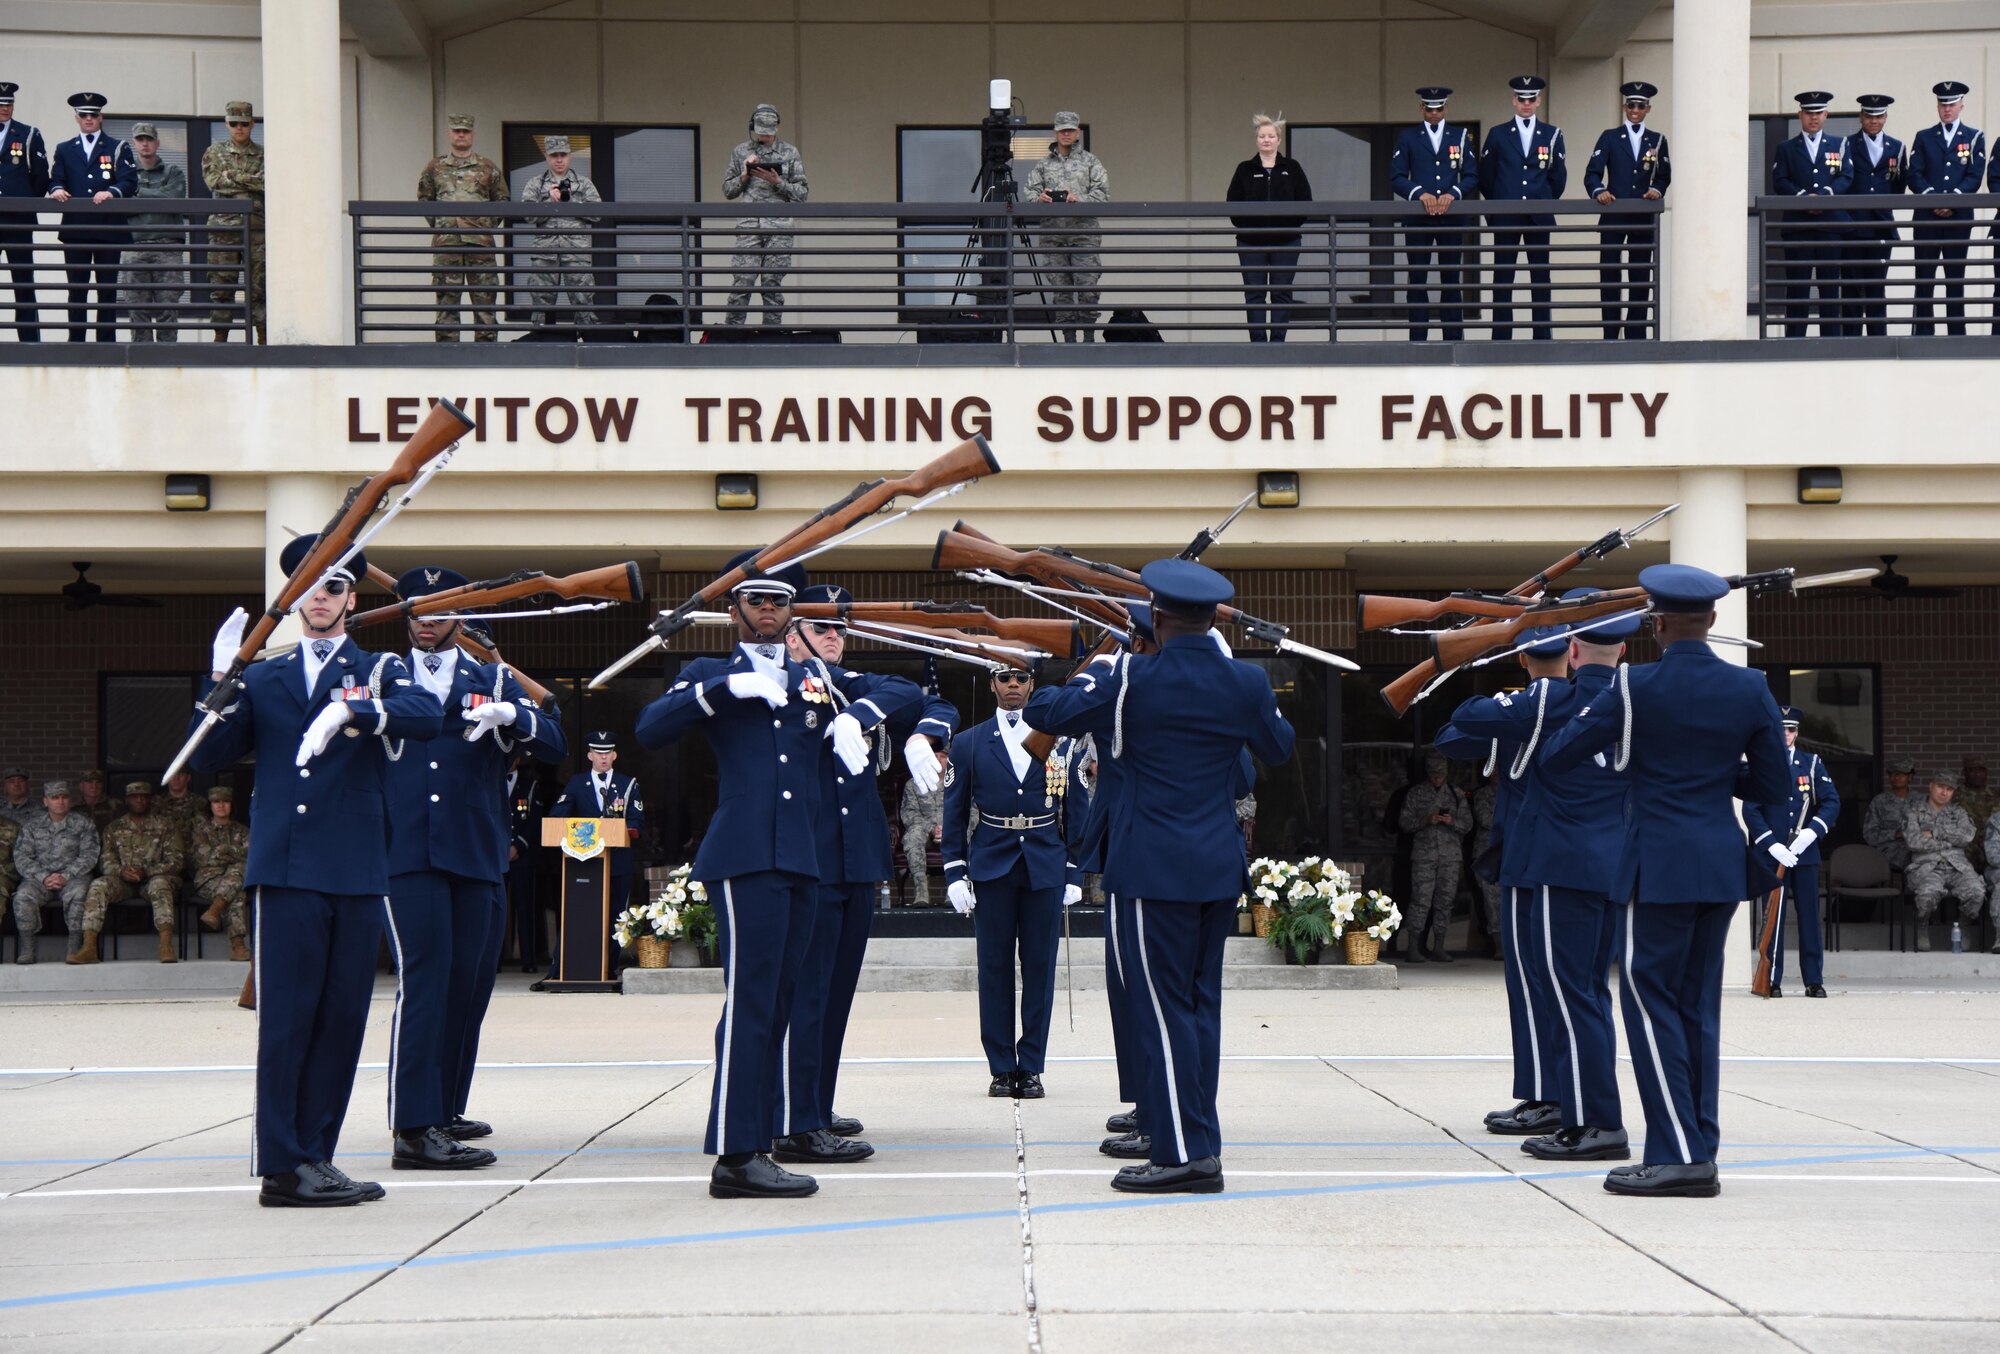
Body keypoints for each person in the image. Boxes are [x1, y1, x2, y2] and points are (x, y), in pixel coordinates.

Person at [188, 534, 443, 1207]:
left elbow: (427, 714)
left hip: (357, 867)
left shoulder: (378, 668)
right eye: (309, 586)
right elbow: (209, 754)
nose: (321, 598)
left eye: (333, 587)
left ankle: (316, 1158)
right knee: (286, 1021)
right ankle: (281, 1165)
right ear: (294, 598)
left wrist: (352, 708)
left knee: (340, 1020)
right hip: (288, 868)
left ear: (352, 599)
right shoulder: (266, 676)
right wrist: (219, 681)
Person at [1027, 560, 1295, 1194]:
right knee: (1200, 1010)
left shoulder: (1127, 679)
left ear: (1160, 618)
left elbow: (1046, 708)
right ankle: (1199, 1140)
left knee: (1160, 1011)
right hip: (1216, 865)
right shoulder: (1247, 681)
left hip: (1149, 868)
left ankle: (1183, 1155)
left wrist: (1092, 668)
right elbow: (1278, 748)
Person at [635, 558, 897, 1200]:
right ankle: (734, 1155)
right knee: (751, 1004)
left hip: (804, 858)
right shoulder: (711, 674)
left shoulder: (817, 678)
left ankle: (760, 1141)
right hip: (744, 855)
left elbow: (903, 690)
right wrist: (726, 692)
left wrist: (855, 716)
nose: (769, 610)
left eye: (780, 600)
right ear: (735, 610)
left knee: (779, 1003)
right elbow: (651, 728)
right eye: (756, 600)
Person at [1540, 563, 1790, 1198]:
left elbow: (1560, 753)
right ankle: (1697, 1145)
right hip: (1718, 864)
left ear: (1657, 625)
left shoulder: (1632, 687)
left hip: (1657, 866)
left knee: (1650, 1005)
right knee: (1696, 1009)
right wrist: (1709, 776)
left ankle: (1678, 1155)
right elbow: (1773, 788)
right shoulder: (1751, 687)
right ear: (1709, 622)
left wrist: (1641, 762)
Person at [1443, 602, 1643, 1161]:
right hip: (1609, 863)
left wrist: (1490, 642)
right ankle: (1582, 1114)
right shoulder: (1635, 700)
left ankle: (1595, 1121)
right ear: (1623, 650)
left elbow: (1465, 717)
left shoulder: (1557, 698)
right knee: (1585, 994)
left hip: (1561, 862)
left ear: (1574, 651)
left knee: (1569, 993)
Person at [384, 567, 565, 1169]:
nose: (428, 620)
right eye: (418, 610)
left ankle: (444, 1106)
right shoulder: (382, 674)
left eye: (440, 610)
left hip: (478, 850)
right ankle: (414, 1127)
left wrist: (518, 718)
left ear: (462, 617)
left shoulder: (490, 677)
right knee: (426, 984)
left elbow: (556, 744)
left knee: (469, 987)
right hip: (408, 851)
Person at [771, 583, 954, 1164]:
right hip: (812, 860)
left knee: (837, 994)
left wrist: (917, 730)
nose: (834, 638)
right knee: (809, 993)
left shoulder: (847, 688)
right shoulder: (777, 686)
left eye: (840, 630)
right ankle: (794, 1118)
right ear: (792, 632)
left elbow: (919, 695)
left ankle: (816, 1106)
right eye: (822, 628)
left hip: (857, 862)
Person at [1435, 629, 1570, 1136]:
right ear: (1572, 656)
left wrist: (1503, 707)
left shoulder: (1519, 710)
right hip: (1569, 857)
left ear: (1520, 658)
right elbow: (1450, 739)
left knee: (1534, 979)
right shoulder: (1587, 703)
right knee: (1565, 982)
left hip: (1527, 852)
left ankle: (1547, 1094)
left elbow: (1452, 730)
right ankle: (1557, 1092)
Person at [943, 665, 1081, 1099]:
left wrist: (1074, 869)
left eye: (1021, 678)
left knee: (1039, 969)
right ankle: (1002, 1067)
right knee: (995, 969)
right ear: (992, 685)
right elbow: (954, 810)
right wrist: (954, 869)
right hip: (991, 863)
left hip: (1043, 862)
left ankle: (1033, 1065)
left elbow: (1077, 809)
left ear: (1033, 685)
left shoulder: (1060, 740)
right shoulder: (967, 742)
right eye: (1005, 679)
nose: (1013, 686)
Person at [1744, 707, 1840, 997]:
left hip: (1805, 854)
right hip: (1773, 856)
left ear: (1797, 733)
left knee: (1810, 916)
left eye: (1791, 729)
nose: (1786, 734)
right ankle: (1771, 979)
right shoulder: (1761, 764)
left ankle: (1813, 980)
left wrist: (1812, 832)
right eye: (1781, 729)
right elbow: (1752, 809)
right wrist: (1771, 844)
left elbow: (1831, 802)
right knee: (1772, 915)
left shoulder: (1811, 764)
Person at [543, 731, 645, 984]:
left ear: (614, 755)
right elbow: (558, 815)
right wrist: (584, 825)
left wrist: (619, 828)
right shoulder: (577, 784)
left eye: (607, 752)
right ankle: (566, 970)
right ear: (590, 755)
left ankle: (608, 969)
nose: (603, 757)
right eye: (598, 753)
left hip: (617, 862)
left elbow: (637, 822)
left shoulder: (627, 783)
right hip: (584, 865)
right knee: (580, 916)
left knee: (615, 918)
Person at [1478, 76, 1567, 342]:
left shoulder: (1552, 134)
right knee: (1503, 276)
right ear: (1513, 101)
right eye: (1521, 99)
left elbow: (1558, 177)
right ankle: (1502, 336)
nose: (1526, 104)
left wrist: (1543, 199)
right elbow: (1486, 176)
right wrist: (1501, 205)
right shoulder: (1498, 133)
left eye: (1531, 99)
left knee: (1540, 276)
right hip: (1506, 214)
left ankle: (1542, 335)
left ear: (1538, 101)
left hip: (1538, 215)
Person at [1389, 86, 1476, 343]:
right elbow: (1396, 176)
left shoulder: (1460, 135)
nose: (1434, 113)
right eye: (1429, 108)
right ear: (1421, 109)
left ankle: (1453, 338)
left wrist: (1454, 194)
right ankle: (1418, 338)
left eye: (1439, 108)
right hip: (1419, 218)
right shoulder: (1408, 136)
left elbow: (1471, 174)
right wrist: (1420, 194)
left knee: (1451, 277)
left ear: (1446, 108)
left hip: (1451, 217)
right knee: (1418, 277)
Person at [45, 91, 135, 343]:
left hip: (108, 229)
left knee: (106, 290)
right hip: (76, 229)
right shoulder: (64, 149)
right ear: (76, 118)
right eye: (83, 114)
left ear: (100, 117)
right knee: (77, 290)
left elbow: (130, 181)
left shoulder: (118, 147)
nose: (88, 119)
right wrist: (56, 189)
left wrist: (111, 192)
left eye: (93, 114)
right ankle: (76, 342)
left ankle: (106, 342)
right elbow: (56, 178)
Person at [1584, 81, 1670, 340]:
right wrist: (1599, 190)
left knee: (1640, 276)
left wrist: (1657, 189)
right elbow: (1592, 172)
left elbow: (1664, 176)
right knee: (1610, 273)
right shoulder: (1610, 136)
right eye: (1631, 105)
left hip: (1642, 216)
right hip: (1613, 213)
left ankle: (1636, 334)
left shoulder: (1658, 139)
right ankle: (1610, 333)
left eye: (1640, 106)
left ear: (1648, 109)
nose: (1635, 110)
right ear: (1624, 107)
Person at [417, 114, 508, 342]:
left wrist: (482, 225)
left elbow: (503, 201)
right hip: (447, 245)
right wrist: (443, 225)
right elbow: (425, 200)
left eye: (465, 131)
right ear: (450, 134)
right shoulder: (435, 167)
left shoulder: (487, 167)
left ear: (472, 135)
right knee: (447, 299)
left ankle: (486, 351)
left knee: (485, 299)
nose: (461, 134)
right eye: (457, 130)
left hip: (480, 245)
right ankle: (448, 352)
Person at [76, 779, 184, 965]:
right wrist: (120, 871)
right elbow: (105, 861)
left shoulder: (166, 825)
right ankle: (89, 946)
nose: (140, 800)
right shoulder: (114, 827)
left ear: (150, 800)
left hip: (154, 879)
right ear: (127, 800)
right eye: (134, 797)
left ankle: (166, 945)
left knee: (160, 885)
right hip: (123, 881)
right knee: (99, 885)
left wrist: (147, 871)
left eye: (144, 797)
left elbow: (176, 861)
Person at [1771, 91, 1853, 339]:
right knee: (1798, 287)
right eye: (1809, 113)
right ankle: (1795, 339)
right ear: (1800, 116)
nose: (1814, 117)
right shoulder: (1786, 147)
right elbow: (1780, 180)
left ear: (1826, 115)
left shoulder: (1839, 144)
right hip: (1799, 225)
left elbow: (1846, 176)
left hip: (1830, 225)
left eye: (1818, 113)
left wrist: (1826, 195)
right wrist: (1802, 199)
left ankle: (1831, 339)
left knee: (1829, 286)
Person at [1023, 111, 1110, 342]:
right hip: (1053, 235)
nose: (1066, 134)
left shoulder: (1091, 162)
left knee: (1088, 285)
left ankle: (1088, 336)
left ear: (1077, 132)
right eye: (1062, 130)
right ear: (1055, 132)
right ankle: (1068, 338)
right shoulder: (1043, 164)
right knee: (1060, 289)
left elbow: (1103, 194)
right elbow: (1030, 192)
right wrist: (1039, 198)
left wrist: (1077, 198)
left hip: (1084, 234)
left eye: (1070, 130)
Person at [1906, 81, 1983, 338]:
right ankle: (1923, 334)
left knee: (1955, 278)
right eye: (1942, 104)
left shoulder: (1974, 137)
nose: (1947, 109)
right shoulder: (1924, 137)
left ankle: (1956, 335)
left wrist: (1953, 199)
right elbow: (1914, 174)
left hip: (1958, 218)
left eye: (1951, 104)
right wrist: (1933, 198)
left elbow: (1974, 175)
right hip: (1927, 217)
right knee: (1924, 277)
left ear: (1961, 105)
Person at [1225, 113, 1312, 343]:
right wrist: (1251, 226)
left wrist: (1288, 225)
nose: (1266, 140)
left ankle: (1278, 341)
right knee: (1254, 294)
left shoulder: (1292, 168)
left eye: (1271, 136)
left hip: (1286, 241)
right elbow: (1233, 205)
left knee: (1282, 293)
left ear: (1279, 139)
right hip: (1251, 242)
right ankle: (1258, 342)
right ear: (1256, 140)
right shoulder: (1244, 169)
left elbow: (1305, 202)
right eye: (1262, 136)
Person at [721, 104, 808, 328]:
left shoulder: (790, 153)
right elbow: (728, 191)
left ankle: (771, 336)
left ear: (777, 128)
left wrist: (778, 182)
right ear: (753, 127)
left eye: (769, 132)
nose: (765, 136)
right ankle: (732, 335)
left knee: (771, 285)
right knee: (743, 282)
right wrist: (744, 175)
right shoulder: (741, 152)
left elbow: (802, 194)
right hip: (749, 226)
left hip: (778, 229)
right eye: (761, 131)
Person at [518, 135, 602, 331]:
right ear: (546, 157)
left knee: (584, 305)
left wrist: (572, 202)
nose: (559, 159)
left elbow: (598, 214)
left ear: (570, 156)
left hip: (576, 253)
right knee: (541, 306)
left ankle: (587, 349)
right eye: (554, 155)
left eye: (563, 154)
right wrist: (549, 201)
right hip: (545, 254)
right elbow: (527, 215)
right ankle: (542, 346)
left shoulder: (583, 183)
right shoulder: (536, 184)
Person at [9, 780, 98, 964]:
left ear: (70, 800)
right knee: (23, 896)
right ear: (45, 801)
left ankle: (74, 947)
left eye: (64, 797)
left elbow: (89, 855)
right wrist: (44, 877)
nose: (60, 801)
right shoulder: (32, 827)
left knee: (80, 894)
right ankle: (28, 948)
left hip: (73, 878)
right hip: (39, 879)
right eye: (55, 798)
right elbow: (22, 857)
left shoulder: (83, 824)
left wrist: (65, 876)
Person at [1398, 749, 1472, 962]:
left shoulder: (1456, 794)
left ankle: (1439, 946)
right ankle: (1413, 947)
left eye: (1440, 774)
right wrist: (1425, 820)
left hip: (1450, 857)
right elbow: (1404, 823)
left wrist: (1452, 822)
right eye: (1434, 775)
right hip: (1424, 856)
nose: (1437, 778)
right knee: (1420, 901)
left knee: (1445, 903)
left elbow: (1468, 824)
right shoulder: (1416, 793)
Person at [200, 101, 264, 343]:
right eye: (234, 123)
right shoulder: (214, 152)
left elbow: (267, 183)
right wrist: (250, 179)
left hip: (257, 229)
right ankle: (220, 340)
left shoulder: (264, 153)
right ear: (227, 124)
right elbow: (214, 181)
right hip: (223, 229)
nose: (239, 128)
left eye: (244, 123)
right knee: (221, 286)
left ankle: (262, 341)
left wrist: (233, 176)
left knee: (260, 288)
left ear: (252, 124)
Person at [1842, 95, 1905, 338]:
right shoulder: (1846, 144)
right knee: (1851, 289)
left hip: (1881, 227)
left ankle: (1878, 340)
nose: (1874, 121)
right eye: (1869, 116)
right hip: (1853, 227)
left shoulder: (1896, 147)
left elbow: (1899, 185)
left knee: (1877, 288)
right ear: (1861, 117)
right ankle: (1852, 342)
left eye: (1879, 116)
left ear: (1886, 117)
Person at [118, 122, 186, 343]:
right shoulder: (125, 175)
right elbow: (124, 204)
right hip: (134, 246)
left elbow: (173, 199)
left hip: (168, 247)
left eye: (149, 139)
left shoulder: (173, 172)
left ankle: (167, 357)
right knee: (137, 309)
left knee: (168, 308)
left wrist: (138, 193)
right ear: (134, 144)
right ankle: (142, 359)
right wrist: (155, 195)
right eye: (140, 139)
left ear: (157, 142)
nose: (145, 143)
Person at [1904, 770, 1982, 952]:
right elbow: (1914, 842)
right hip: (1927, 866)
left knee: (1976, 892)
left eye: (1949, 789)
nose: (1944, 792)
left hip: (1958, 867)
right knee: (1927, 895)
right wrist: (1950, 841)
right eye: (1940, 787)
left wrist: (1935, 834)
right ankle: (1922, 925)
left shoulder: (1959, 813)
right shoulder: (1914, 812)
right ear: (1931, 787)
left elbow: (1967, 836)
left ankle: (1964, 925)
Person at [0, 82, 49, 341]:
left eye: (8, 103)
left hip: (18, 220)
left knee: (24, 284)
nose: (5, 108)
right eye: (1, 104)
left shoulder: (28, 133)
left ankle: (29, 341)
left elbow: (41, 175)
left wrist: (25, 201)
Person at [190, 786, 251, 962]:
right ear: (210, 805)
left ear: (231, 805)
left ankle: (215, 910)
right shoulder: (201, 830)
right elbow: (202, 858)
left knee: (238, 876)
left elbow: (251, 856)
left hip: (233, 880)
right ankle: (238, 946)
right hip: (208, 879)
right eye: (216, 802)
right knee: (238, 878)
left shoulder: (242, 831)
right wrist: (232, 853)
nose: (221, 806)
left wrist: (221, 851)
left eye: (225, 801)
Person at [505, 753, 545, 971]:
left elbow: (535, 821)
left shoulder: (530, 785)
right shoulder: (489, 780)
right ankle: (494, 961)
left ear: (518, 760)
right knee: (495, 909)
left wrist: (517, 846)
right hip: (495, 856)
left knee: (525, 909)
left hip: (523, 856)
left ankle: (528, 960)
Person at [1864, 757, 1917, 869]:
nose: (1896, 777)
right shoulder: (1879, 802)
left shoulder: (1921, 800)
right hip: (1890, 852)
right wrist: (1896, 834)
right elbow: (1869, 835)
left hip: (1917, 849)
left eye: (1901, 774)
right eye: (1892, 774)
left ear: (1910, 777)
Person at [899, 773, 942, 907]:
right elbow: (909, 813)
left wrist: (950, 828)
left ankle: (954, 892)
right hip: (923, 829)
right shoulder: (914, 784)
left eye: (943, 756)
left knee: (963, 835)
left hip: (953, 828)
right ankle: (921, 891)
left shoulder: (958, 780)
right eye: (935, 756)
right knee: (912, 837)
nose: (939, 760)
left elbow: (971, 810)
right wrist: (931, 829)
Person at [76, 769, 120, 834]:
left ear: (102, 786)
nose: (94, 786)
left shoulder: (115, 805)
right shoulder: (74, 809)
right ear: (81, 786)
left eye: (98, 782)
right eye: (90, 782)